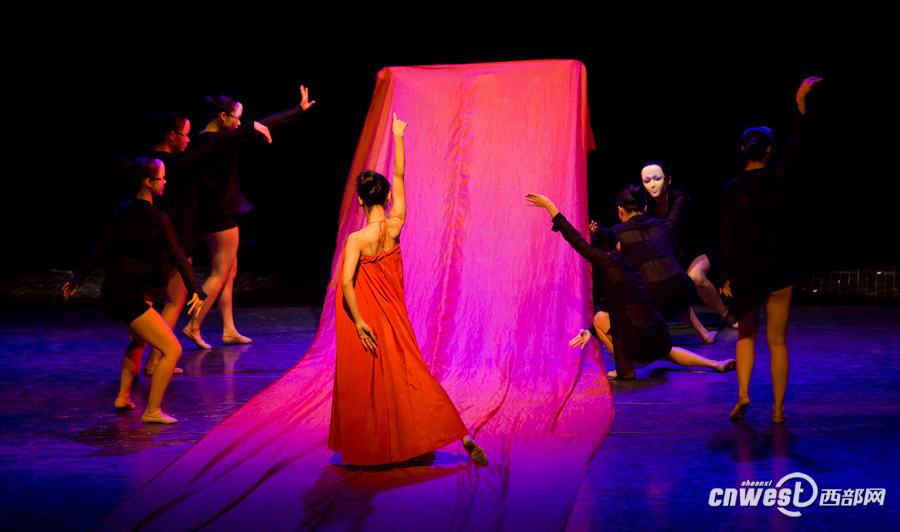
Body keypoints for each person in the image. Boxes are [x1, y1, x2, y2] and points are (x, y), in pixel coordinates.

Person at [328, 114, 488, 467]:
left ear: (360, 202)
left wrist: (358, 321)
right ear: (386, 198)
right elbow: (400, 176)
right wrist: (398, 137)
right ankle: (456, 435)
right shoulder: (395, 225)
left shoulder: (357, 239)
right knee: (409, 374)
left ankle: (383, 444)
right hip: (396, 315)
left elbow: (346, 282)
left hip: (370, 315)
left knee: (376, 380)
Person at [525, 193, 735, 380]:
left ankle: (625, 369)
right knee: (668, 353)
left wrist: (551, 208)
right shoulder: (629, 267)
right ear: (618, 246)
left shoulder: (610, 266)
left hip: (639, 338)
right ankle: (714, 363)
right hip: (659, 332)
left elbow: (577, 242)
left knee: (599, 318)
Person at [62, 158, 207, 424]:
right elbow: (178, 255)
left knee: (139, 341)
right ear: (148, 182)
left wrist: (77, 278)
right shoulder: (159, 218)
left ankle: (123, 397)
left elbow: (100, 248)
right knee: (172, 350)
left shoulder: (122, 210)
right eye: (161, 178)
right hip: (130, 296)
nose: (165, 182)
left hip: (114, 293)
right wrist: (196, 289)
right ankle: (152, 411)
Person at [721, 76, 822, 424]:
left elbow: (727, 236)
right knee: (778, 342)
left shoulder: (731, 190)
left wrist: (725, 276)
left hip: (746, 271)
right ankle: (778, 411)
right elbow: (798, 145)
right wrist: (800, 103)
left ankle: (743, 395)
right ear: (769, 152)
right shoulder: (779, 179)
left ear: (743, 151)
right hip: (778, 269)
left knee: (746, 336)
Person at [182, 87, 314, 350]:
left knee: (229, 271)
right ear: (222, 116)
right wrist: (296, 112)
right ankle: (193, 325)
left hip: (211, 213)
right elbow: (259, 125)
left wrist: (296, 112)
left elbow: (260, 124)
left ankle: (229, 329)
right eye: (236, 118)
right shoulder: (222, 141)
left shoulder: (198, 140)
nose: (239, 123)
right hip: (221, 214)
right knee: (220, 272)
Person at [142, 111, 272, 374]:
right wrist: (250, 127)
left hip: (155, 240)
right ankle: (154, 361)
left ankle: (145, 363)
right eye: (185, 135)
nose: (189, 139)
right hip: (175, 242)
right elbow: (215, 145)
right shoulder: (179, 163)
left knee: (148, 304)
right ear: (172, 135)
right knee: (173, 302)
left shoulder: (149, 164)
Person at [604, 185, 717, 344]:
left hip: (654, 299)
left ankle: (645, 345)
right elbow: (680, 257)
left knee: (650, 289)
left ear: (620, 210)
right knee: (670, 284)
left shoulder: (617, 232)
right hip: (685, 291)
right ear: (645, 208)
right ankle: (704, 333)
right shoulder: (660, 225)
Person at [642, 161, 733, 327]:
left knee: (695, 277)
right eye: (647, 181)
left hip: (702, 250)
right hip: (678, 255)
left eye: (657, 179)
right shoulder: (647, 204)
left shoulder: (680, 199)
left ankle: (727, 315)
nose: (652, 185)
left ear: (668, 180)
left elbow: (668, 228)